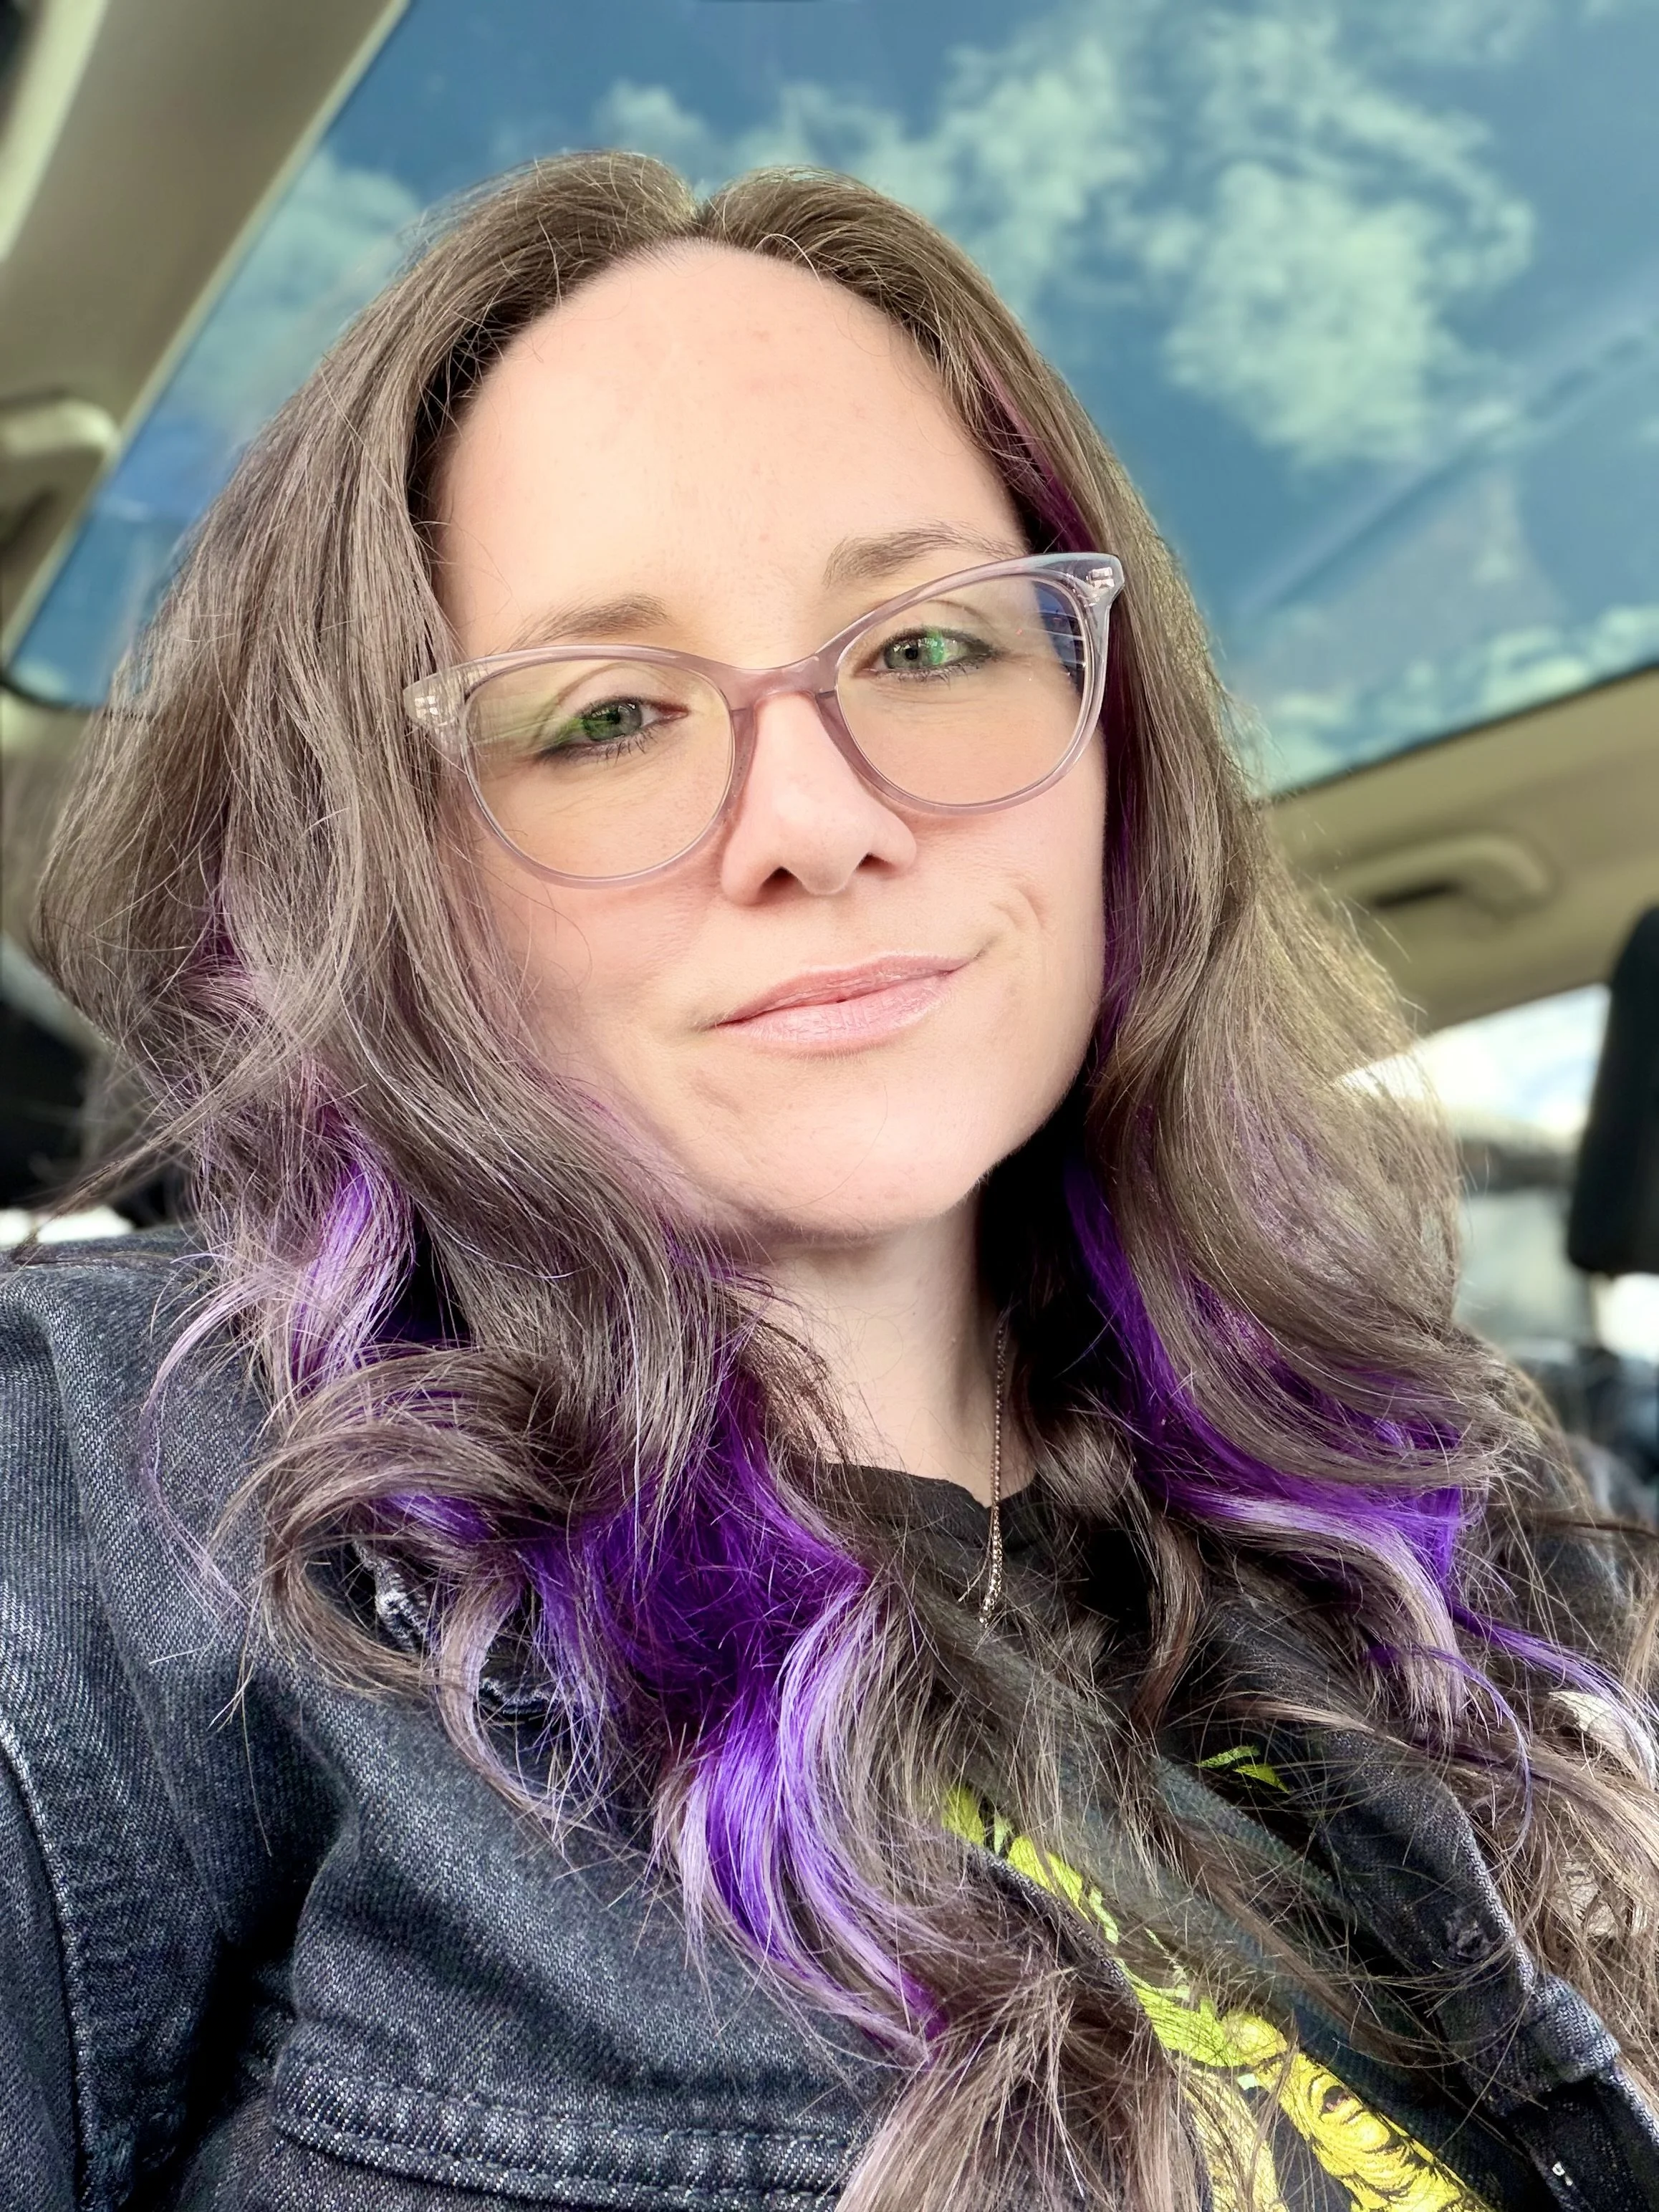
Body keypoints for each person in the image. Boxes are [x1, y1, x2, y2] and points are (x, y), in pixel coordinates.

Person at [3, 153, 1657, 2212]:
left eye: (932, 648)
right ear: (392, 869)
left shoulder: (1451, 1523)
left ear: (1107, 732)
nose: (816, 815)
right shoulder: (112, 1482)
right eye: (603, 715)